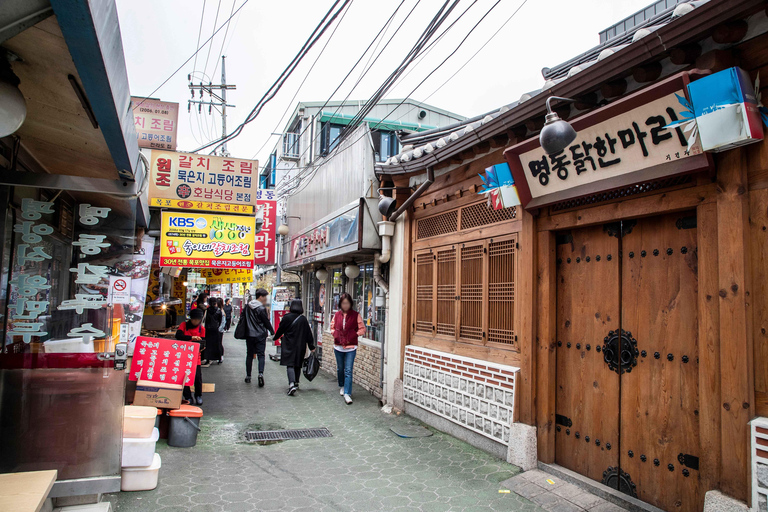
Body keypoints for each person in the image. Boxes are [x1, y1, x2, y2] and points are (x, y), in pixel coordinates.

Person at [273, 299, 315, 396]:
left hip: (288, 344)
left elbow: (280, 329)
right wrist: (311, 346)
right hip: (300, 345)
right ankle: (296, 382)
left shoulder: (286, 317)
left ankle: (291, 384)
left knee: (290, 364)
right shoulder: (303, 319)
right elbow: (308, 334)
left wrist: (275, 337)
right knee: (298, 364)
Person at [332, 293, 366, 404]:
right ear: (340, 304)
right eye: (343, 303)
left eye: (347, 303)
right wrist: (335, 334)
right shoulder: (337, 315)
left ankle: (347, 393)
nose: (345, 305)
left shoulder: (356, 315)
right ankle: (342, 385)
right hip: (338, 346)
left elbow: (362, 329)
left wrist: (355, 335)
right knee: (340, 368)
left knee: (348, 370)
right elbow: (332, 327)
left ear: (350, 304)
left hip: (351, 347)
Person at [242, 288, 274, 386]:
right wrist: (272, 331)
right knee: (261, 355)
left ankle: (248, 376)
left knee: (249, 355)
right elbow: (266, 322)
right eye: (265, 297)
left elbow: (243, 319)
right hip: (260, 335)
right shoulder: (261, 308)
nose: (266, 299)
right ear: (260, 297)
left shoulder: (247, 307)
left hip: (249, 334)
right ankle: (260, 374)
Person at [176, 308, 205, 406]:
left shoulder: (202, 329)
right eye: (194, 319)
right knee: (184, 377)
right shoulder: (183, 325)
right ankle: (188, 396)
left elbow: (203, 342)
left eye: (198, 320)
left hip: (196, 356)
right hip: (184, 355)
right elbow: (178, 336)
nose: (196, 321)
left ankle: (198, 395)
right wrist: (191, 338)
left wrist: (201, 347)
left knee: (197, 377)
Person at [203, 297, 223, 365]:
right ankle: (219, 358)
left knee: (208, 345)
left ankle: (208, 359)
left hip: (208, 329)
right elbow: (220, 320)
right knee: (217, 344)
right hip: (215, 329)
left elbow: (206, 320)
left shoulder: (207, 310)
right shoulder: (218, 310)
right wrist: (217, 326)